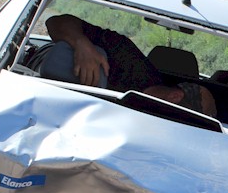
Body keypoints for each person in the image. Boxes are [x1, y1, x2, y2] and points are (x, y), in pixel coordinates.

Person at [37, 14, 217, 117]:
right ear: (175, 96)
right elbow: (55, 22)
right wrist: (81, 44)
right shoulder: (126, 59)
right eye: (179, 118)